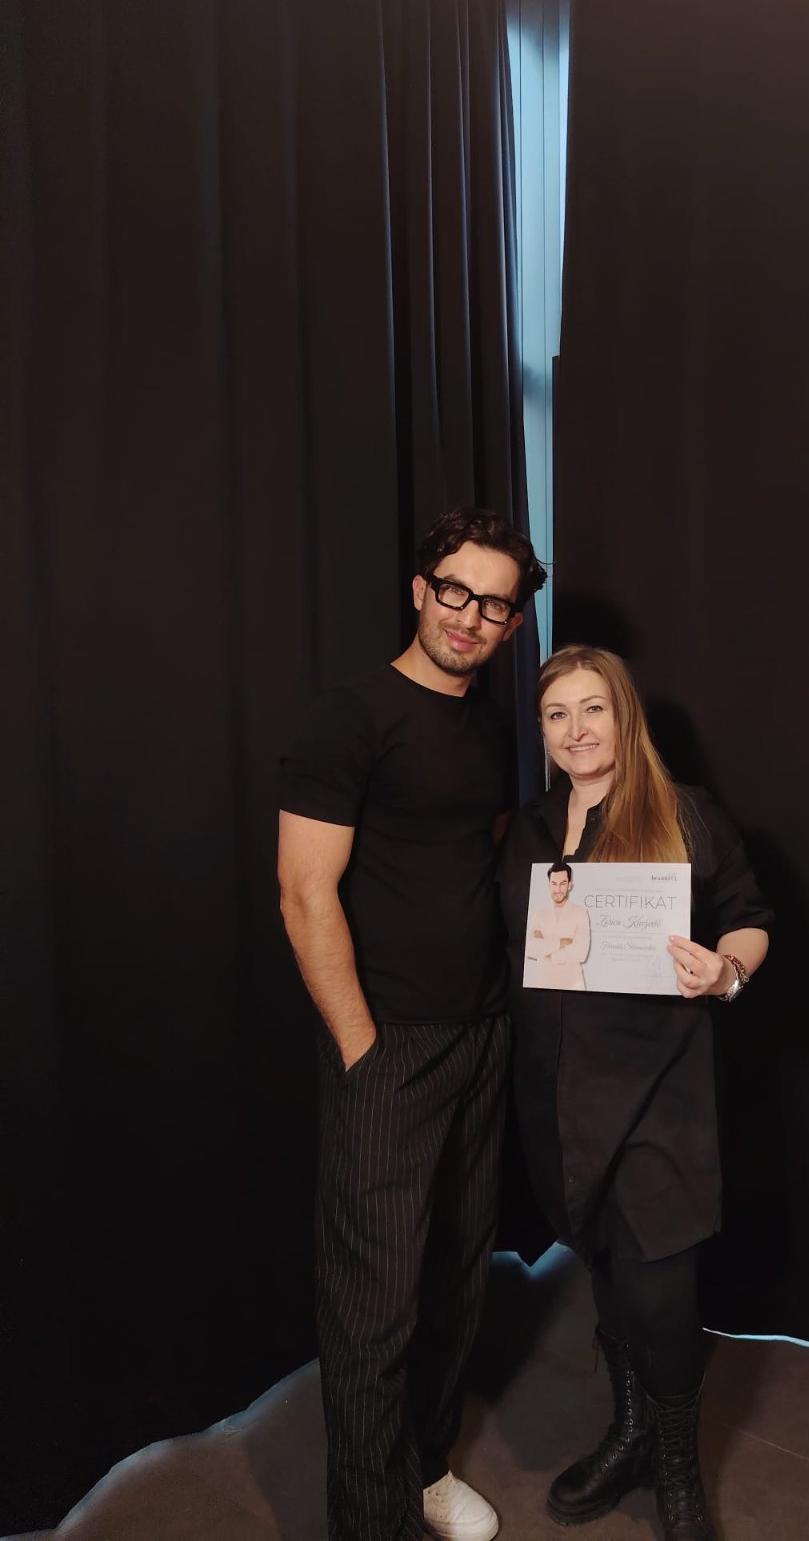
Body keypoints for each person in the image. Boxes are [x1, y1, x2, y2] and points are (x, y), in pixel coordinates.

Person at [278, 507, 545, 1541]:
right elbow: (305, 892)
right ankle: (371, 1520)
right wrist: (359, 1046)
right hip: (387, 1045)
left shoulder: (491, 723)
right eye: (455, 591)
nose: (470, 616)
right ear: (421, 589)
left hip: (481, 1036)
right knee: (374, 1304)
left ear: (512, 624)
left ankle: (424, 1467)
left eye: (494, 605)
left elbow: (478, 857)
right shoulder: (349, 716)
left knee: (457, 1275)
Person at [498, 646, 771, 1541]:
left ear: (624, 715)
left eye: (593, 709)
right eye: (556, 714)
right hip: (560, 1105)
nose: (576, 730)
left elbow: (750, 920)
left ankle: (677, 1468)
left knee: (660, 1298)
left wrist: (724, 971)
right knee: (608, 1280)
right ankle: (628, 1437)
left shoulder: (684, 812)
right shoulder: (529, 830)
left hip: (660, 1098)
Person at [524, 860, 591, 990]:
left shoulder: (580, 912)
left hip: (572, 984)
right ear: (549, 885)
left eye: (563, 883)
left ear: (570, 885)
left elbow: (581, 951)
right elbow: (530, 947)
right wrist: (560, 942)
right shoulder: (540, 914)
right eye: (554, 884)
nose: (558, 890)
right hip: (542, 982)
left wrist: (549, 953)